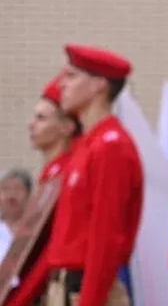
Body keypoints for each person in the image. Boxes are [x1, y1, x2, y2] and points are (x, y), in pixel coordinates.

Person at [39, 45, 144, 306]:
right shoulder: (87, 145)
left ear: (99, 85)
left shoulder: (111, 146)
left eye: (72, 76)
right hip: (63, 288)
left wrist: (90, 300)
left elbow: (105, 234)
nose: (61, 84)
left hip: (87, 291)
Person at [5, 74, 82, 306]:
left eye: (41, 118)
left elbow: (48, 252)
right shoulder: (51, 175)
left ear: (66, 127)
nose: (31, 123)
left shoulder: (66, 174)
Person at [0, 170, 33, 261]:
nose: (11, 195)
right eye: (6, 189)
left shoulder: (37, 229)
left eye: (18, 189)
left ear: (29, 195)